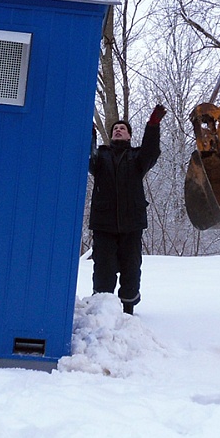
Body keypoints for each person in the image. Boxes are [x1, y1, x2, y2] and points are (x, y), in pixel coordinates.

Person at [88, 105, 165, 314]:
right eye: (115, 129)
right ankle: (102, 310)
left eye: (122, 128)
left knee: (131, 267)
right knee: (104, 267)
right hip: (104, 223)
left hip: (132, 223)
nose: (118, 130)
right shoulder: (101, 157)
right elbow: (90, 157)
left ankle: (128, 309)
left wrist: (153, 125)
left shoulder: (137, 158)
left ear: (130, 136)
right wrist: (91, 133)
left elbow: (152, 151)